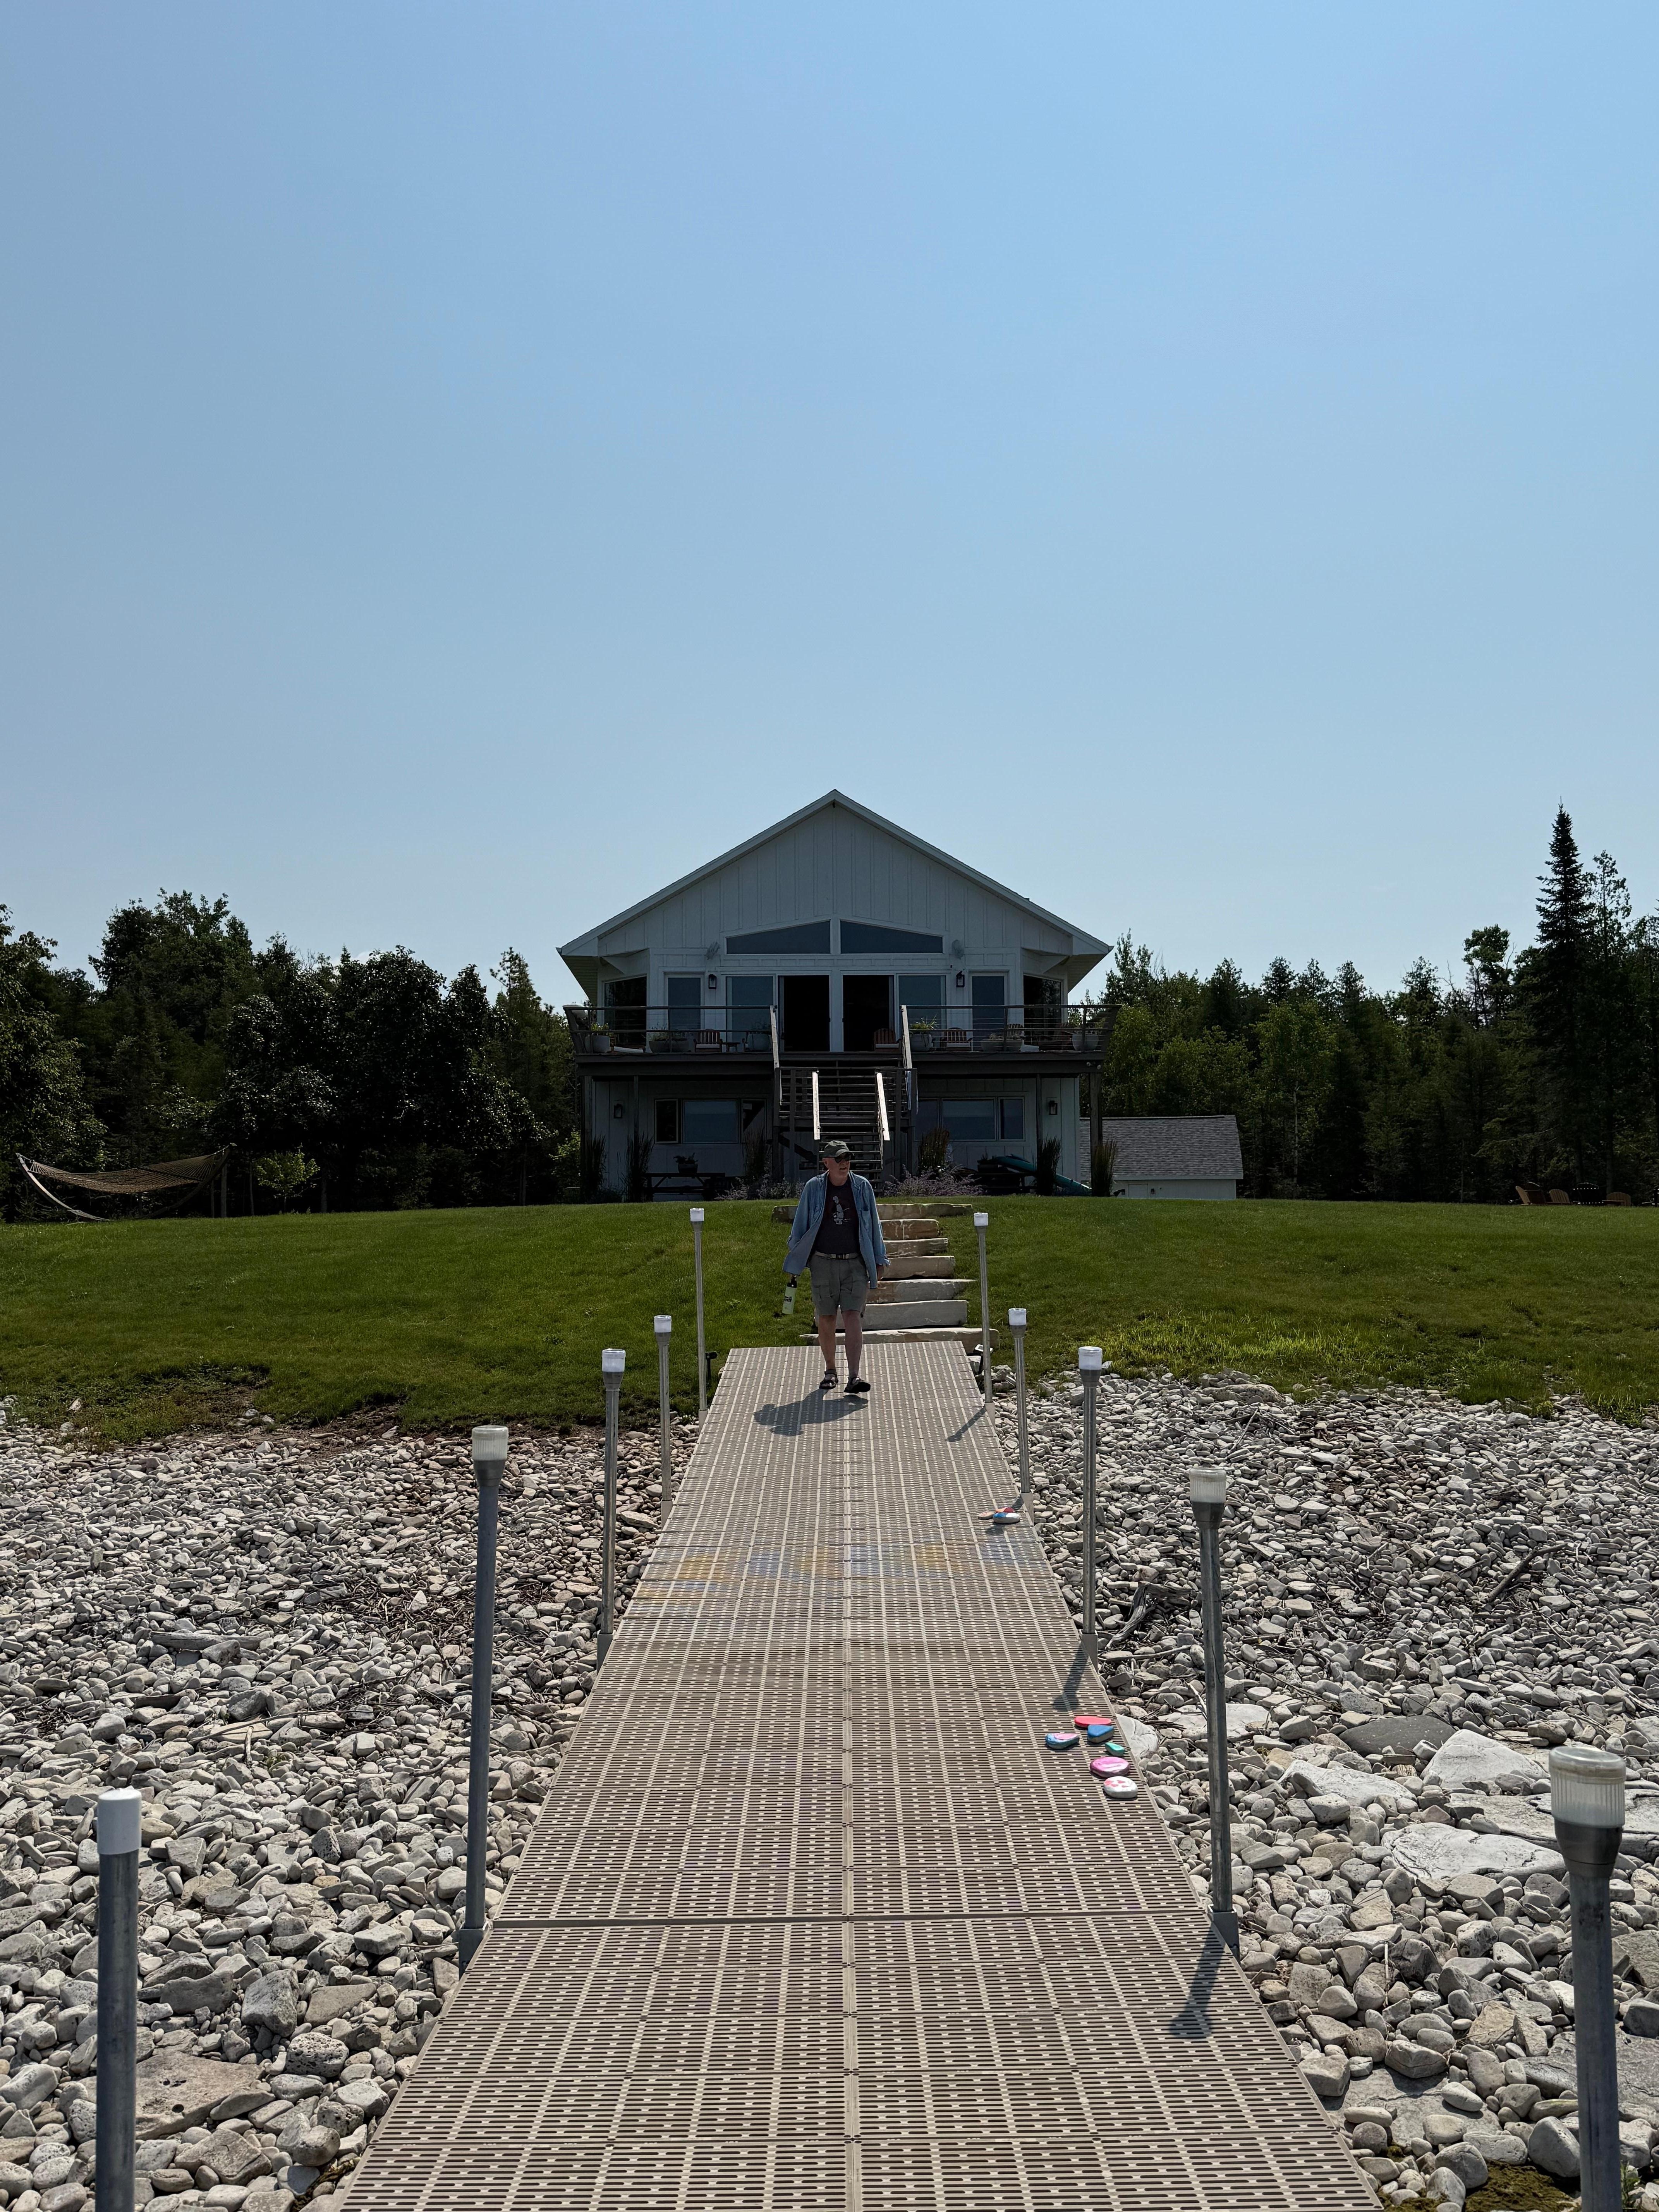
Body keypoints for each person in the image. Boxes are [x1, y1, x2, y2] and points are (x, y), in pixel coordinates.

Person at [783, 1139, 888, 1394]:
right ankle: (831, 1371)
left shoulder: (862, 1187)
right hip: (822, 1262)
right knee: (827, 1317)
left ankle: (855, 1376)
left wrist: (879, 1258)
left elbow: (873, 1225)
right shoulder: (814, 1188)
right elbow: (800, 1226)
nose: (844, 1163)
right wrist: (796, 1257)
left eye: (848, 1159)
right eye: (839, 1159)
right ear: (827, 1162)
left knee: (853, 1316)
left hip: (855, 1263)